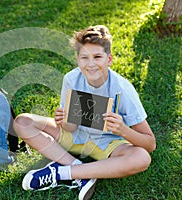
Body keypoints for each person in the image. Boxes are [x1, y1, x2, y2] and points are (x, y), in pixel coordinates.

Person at [13, 25, 156, 200]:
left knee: (142, 158)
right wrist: (63, 120)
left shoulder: (122, 89)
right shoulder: (71, 79)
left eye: (97, 57)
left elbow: (150, 144)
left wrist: (123, 130)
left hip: (108, 144)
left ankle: (62, 173)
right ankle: (79, 170)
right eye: (84, 58)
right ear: (78, 60)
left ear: (109, 59)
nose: (91, 64)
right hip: (76, 136)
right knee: (22, 122)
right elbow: (70, 127)